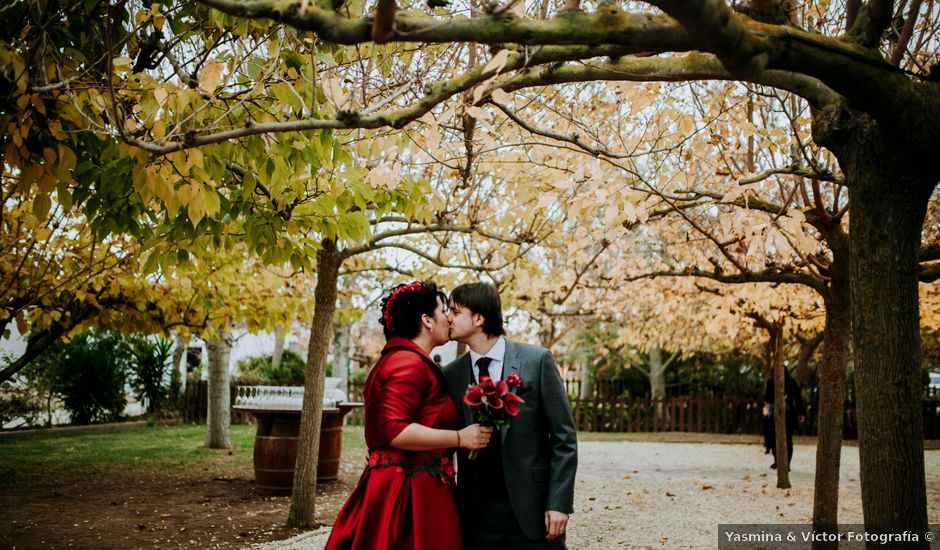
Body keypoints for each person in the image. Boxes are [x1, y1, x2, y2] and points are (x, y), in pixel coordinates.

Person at [325, 281, 492, 550]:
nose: (448, 318)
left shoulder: (407, 359)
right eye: (442, 310)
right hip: (408, 491)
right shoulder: (406, 361)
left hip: (413, 483)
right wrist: (460, 437)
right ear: (426, 320)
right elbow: (394, 430)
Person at [443, 282, 578, 549]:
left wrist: (558, 503)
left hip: (533, 511)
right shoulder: (451, 375)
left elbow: (564, 438)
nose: (448, 317)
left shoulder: (537, 362)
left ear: (479, 318)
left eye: (456, 312)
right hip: (475, 517)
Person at [762, 368, 806, 469]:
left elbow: (767, 398)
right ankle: (785, 463)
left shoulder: (772, 382)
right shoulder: (790, 381)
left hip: (779, 414)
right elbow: (798, 398)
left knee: (775, 439)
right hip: (788, 413)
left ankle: (779, 461)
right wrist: (801, 413)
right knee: (787, 440)